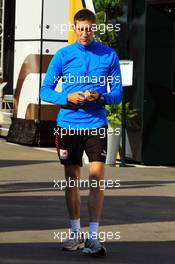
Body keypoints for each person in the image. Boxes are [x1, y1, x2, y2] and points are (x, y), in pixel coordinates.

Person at [40, 8, 122, 257]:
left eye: (89, 28)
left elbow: (117, 95)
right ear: (75, 28)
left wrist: (102, 96)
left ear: (94, 28)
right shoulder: (63, 55)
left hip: (95, 125)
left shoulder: (109, 55)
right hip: (67, 126)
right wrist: (67, 96)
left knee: (97, 180)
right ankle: (75, 233)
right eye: (81, 28)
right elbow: (45, 90)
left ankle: (94, 239)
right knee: (71, 181)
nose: (85, 33)